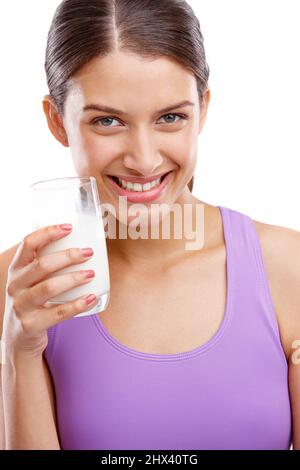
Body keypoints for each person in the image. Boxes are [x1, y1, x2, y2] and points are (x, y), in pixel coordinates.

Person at [0, 0, 299, 451]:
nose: (143, 159)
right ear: (57, 122)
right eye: (107, 121)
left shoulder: (287, 268)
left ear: (203, 109)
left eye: (170, 117)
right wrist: (18, 351)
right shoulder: (19, 289)